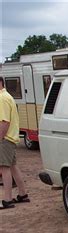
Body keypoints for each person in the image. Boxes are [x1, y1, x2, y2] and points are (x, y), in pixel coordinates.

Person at [0, 77, 29, 209]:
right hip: (10, 138)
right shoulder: (7, 96)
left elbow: (4, 122)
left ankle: (7, 199)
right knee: (13, 166)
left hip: (5, 139)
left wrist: (0, 138)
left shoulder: (2, 99)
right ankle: (22, 194)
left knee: (4, 168)